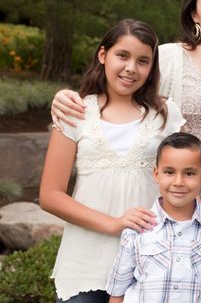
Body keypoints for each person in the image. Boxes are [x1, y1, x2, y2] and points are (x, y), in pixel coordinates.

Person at [50, 0, 201, 209]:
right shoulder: (168, 58)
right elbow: (119, 87)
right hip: (165, 204)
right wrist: (64, 97)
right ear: (194, 14)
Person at [39, 19, 186, 302]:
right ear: (103, 55)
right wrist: (114, 223)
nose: (132, 68)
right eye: (123, 56)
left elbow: (182, 181)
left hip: (148, 263)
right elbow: (50, 195)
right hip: (84, 262)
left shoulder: (166, 115)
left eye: (143, 61)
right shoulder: (75, 111)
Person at [106, 132, 201, 303]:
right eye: (169, 172)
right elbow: (117, 294)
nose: (178, 182)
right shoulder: (137, 230)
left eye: (189, 173)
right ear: (156, 174)